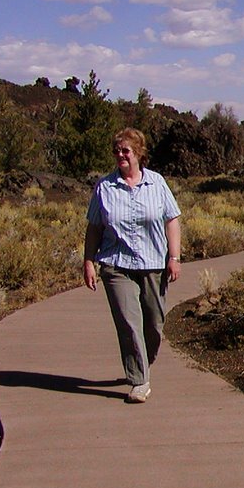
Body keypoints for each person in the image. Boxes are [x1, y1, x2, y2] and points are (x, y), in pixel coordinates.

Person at [83, 128, 182, 403]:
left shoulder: (157, 183)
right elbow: (94, 228)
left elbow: (172, 220)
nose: (120, 156)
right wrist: (89, 261)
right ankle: (139, 380)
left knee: (154, 324)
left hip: (153, 264)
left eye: (126, 151)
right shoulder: (105, 187)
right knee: (129, 322)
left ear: (138, 153)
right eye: (117, 151)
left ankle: (143, 361)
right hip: (116, 264)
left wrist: (174, 257)